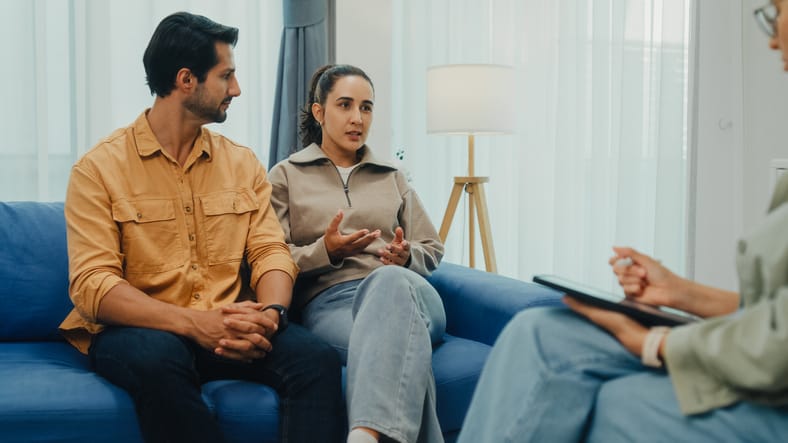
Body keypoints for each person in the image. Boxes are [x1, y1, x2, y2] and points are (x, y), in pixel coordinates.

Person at [456, 2, 788, 441]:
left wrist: (652, 342)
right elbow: (772, 311)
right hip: (763, 347)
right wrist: (680, 292)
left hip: (772, 373)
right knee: (538, 332)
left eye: (776, 12)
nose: (771, 37)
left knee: (620, 403)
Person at [58, 12, 344, 443]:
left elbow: (269, 252)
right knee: (159, 360)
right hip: (143, 331)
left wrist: (271, 313)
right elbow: (93, 284)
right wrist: (193, 323)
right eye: (226, 76)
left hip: (231, 322)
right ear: (186, 80)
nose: (236, 89)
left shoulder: (241, 162)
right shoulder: (98, 169)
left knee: (315, 360)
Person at [267, 64, 446, 443]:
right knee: (403, 349)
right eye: (345, 105)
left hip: (410, 293)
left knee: (390, 281)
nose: (357, 118)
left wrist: (405, 256)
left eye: (366, 108)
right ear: (319, 112)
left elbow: (431, 248)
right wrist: (325, 251)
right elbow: (270, 259)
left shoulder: (391, 175)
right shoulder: (285, 176)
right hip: (334, 304)